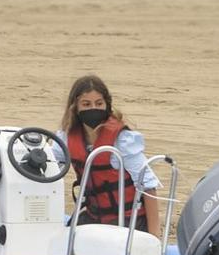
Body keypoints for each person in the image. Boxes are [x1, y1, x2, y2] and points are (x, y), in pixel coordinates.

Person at [60, 74, 160, 236]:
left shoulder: (123, 140)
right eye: (86, 104)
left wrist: (155, 236)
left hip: (127, 220)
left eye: (99, 103)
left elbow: (148, 185)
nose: (93, 108)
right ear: (75, 108)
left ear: (107, 105)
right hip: (93, 216)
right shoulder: (65, 138)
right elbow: (51, 166)